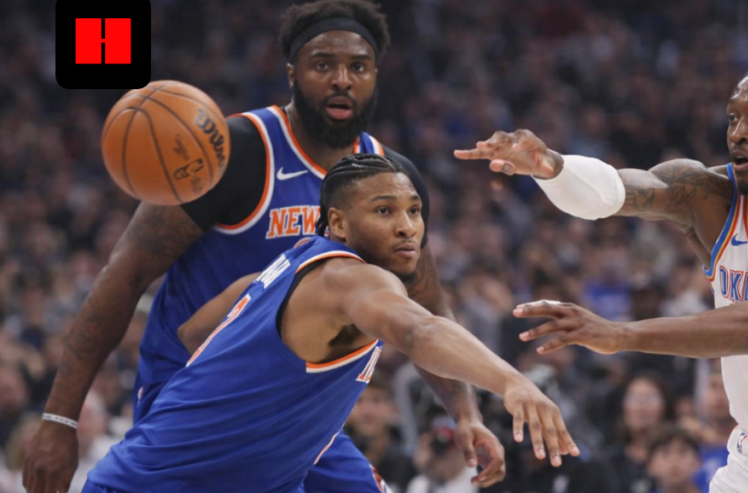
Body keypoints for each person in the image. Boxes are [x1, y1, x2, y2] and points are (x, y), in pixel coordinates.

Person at [26, 0, 503, 493]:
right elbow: (124, 276)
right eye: (323, 65)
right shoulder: (234, 152)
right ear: (292, 73)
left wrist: (465, 413)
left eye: (358, 67)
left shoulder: (393, 182)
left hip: (300, 414)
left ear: (375, 77)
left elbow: (427, 306)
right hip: (202, 400)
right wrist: (60, 419)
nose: (342, 79)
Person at [456, 62, 748, 492]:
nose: (738, 133)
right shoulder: (706, 195)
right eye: (733, 117)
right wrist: (554, 169)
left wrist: (620, 334)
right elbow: (616, 191)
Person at [82, 154, 576, 493]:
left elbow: (194, 334)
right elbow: (420, 332)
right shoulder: (348, 278)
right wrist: (512, 382)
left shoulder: (288, 264)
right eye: (384, 211)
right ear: (337, 223)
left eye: (414, 210)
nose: (407, 226)